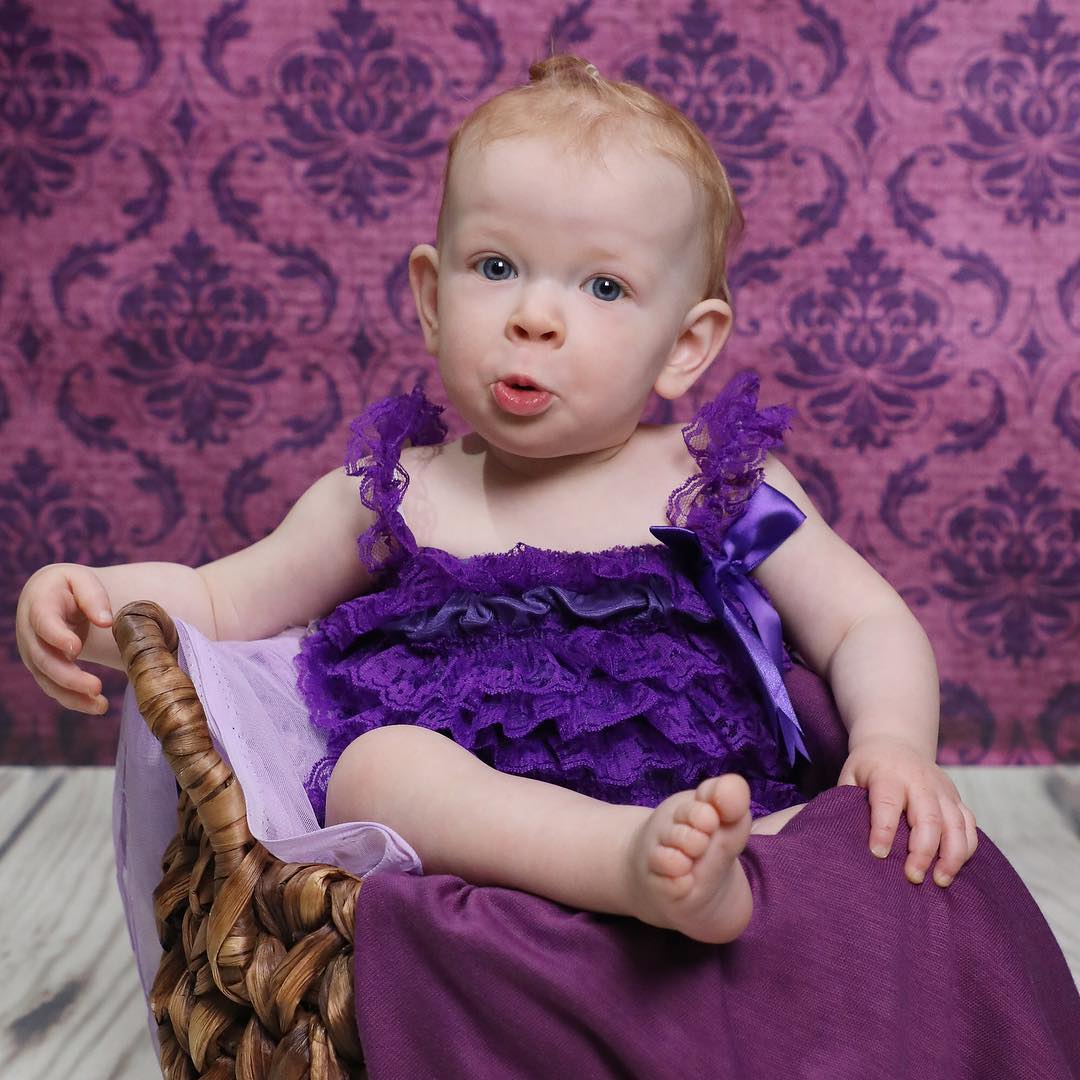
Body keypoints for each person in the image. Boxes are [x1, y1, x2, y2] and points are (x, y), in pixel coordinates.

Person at [15, 55, 978, 947]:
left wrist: (896, 745)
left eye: (603, 285)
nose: (534, 315)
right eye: (496, 267)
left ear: (687, 345)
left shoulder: (714, 485)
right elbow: (222, 604)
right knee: (379, 767)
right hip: (481, 853)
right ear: (433, 298)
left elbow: (860, 622)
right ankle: (620, 866)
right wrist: (90, 604)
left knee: (830, 837)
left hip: (706, 810)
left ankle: (690, 869)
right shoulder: (397, 494)